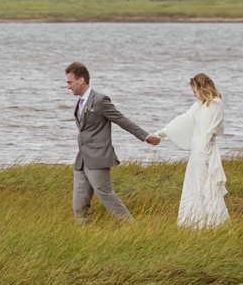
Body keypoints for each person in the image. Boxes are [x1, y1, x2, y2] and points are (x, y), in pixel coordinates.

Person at [66, 61, 156, 223]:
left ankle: (132, 226)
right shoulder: (80, 102)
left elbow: (122, 120)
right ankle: (80, 233)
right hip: (82, 160)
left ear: (81, 80)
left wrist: (146, 136)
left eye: (70, 82)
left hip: (98, 158)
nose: (68, 87)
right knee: (79, 203)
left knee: (106, 195)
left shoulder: (100, 100)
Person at [147, 74, 229, 228]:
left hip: (205, 150)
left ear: (202, 88)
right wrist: (159, 133)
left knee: (206, 186)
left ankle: (212, 223)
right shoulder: (200, 105)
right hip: (196, 151)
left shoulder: (215, 104)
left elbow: (211, 133)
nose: (193, 94)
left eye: (195, 91)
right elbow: (183, 120)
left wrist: (207, 157)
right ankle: (192, 223)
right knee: (193, 186)